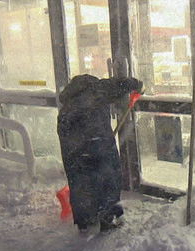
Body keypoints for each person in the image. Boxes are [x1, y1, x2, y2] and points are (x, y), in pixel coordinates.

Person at [57, 74, 142, 235]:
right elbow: (120, 83)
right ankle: (107, 219)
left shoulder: (67, 107)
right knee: (108, 177)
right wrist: (137, 85)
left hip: (74, 149)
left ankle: (84, 221)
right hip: (96, 143)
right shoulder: (95, 89)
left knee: (80, 182)